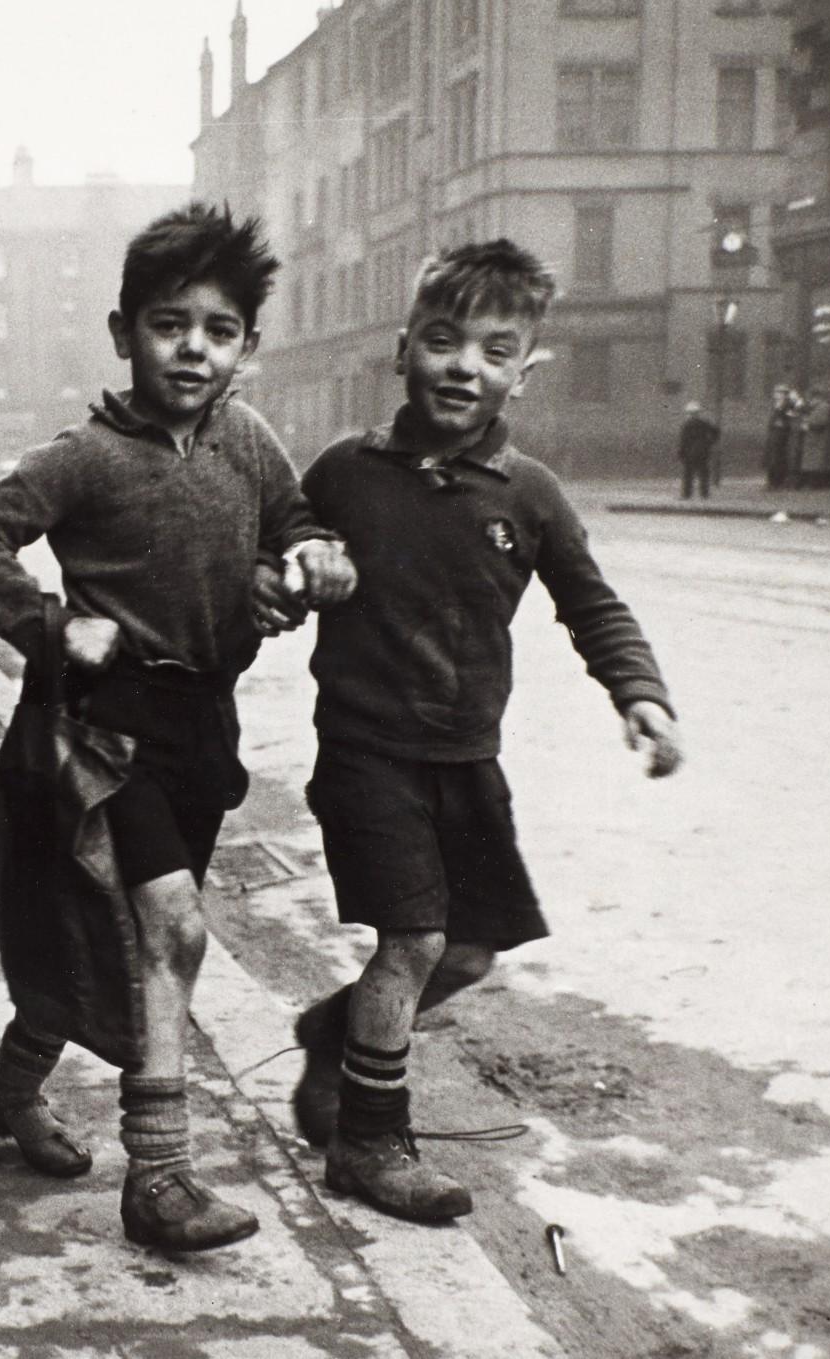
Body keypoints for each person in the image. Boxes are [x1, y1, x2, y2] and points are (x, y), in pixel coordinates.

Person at [0, 202, 356, 1253]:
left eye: (217, 330)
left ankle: (14, 1088)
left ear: (246, 348)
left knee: (108, 944)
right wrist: (50, 624)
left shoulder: (246, 442)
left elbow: (296, 530)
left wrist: (305, 569)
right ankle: (158, 1177)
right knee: (168, 930)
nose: (192, 349)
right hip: (95, 732)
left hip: (196, 727)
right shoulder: (82, 457)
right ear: (124, 332)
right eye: (169, 324)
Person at [266, 239, 683, 1223]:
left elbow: (592, 606)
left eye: (494, 351)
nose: (465, 366)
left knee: (466, 954)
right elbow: (274, 550)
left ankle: (331, 1036)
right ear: (402, 346)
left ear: (523, 371)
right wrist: (295, 561)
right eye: (444, 341)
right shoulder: (344, 472)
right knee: (412, 940)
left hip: (466, 760)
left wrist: (639, 693)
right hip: (366, 753)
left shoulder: (526, 494)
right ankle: (370, 1144)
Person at [795, 387, 830, 489]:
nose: (809, 401)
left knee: (818, 464)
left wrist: (807, 424)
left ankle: (818, 484)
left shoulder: (823, 407)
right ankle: (816, 483)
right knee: (815, 463)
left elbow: (820, 422)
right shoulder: (817, 407)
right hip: (814, 439)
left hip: (819, 440)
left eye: (810, 398)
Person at [676, 400, 720, 500]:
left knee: (688, 474)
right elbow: (716, 432)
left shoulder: (686, 425)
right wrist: (710, 443)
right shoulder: (704, 423)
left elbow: (684, 441)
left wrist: (681, 453)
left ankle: (687, 494)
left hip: (689, 453)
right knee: (703, 474)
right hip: (703, 452)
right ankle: (704, 494)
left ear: (689, 413)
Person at [764, 384, 800, 490]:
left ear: (784, 395)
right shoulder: (776, 405)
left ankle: (778, 482)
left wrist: (784, 423)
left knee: (779, 459)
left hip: (782, 436)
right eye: (776, 393)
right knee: (772, 459)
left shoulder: (788, 406)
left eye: (779, 393)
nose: (776, 395)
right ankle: (772, 482)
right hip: (774, 435)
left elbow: (792, 416)